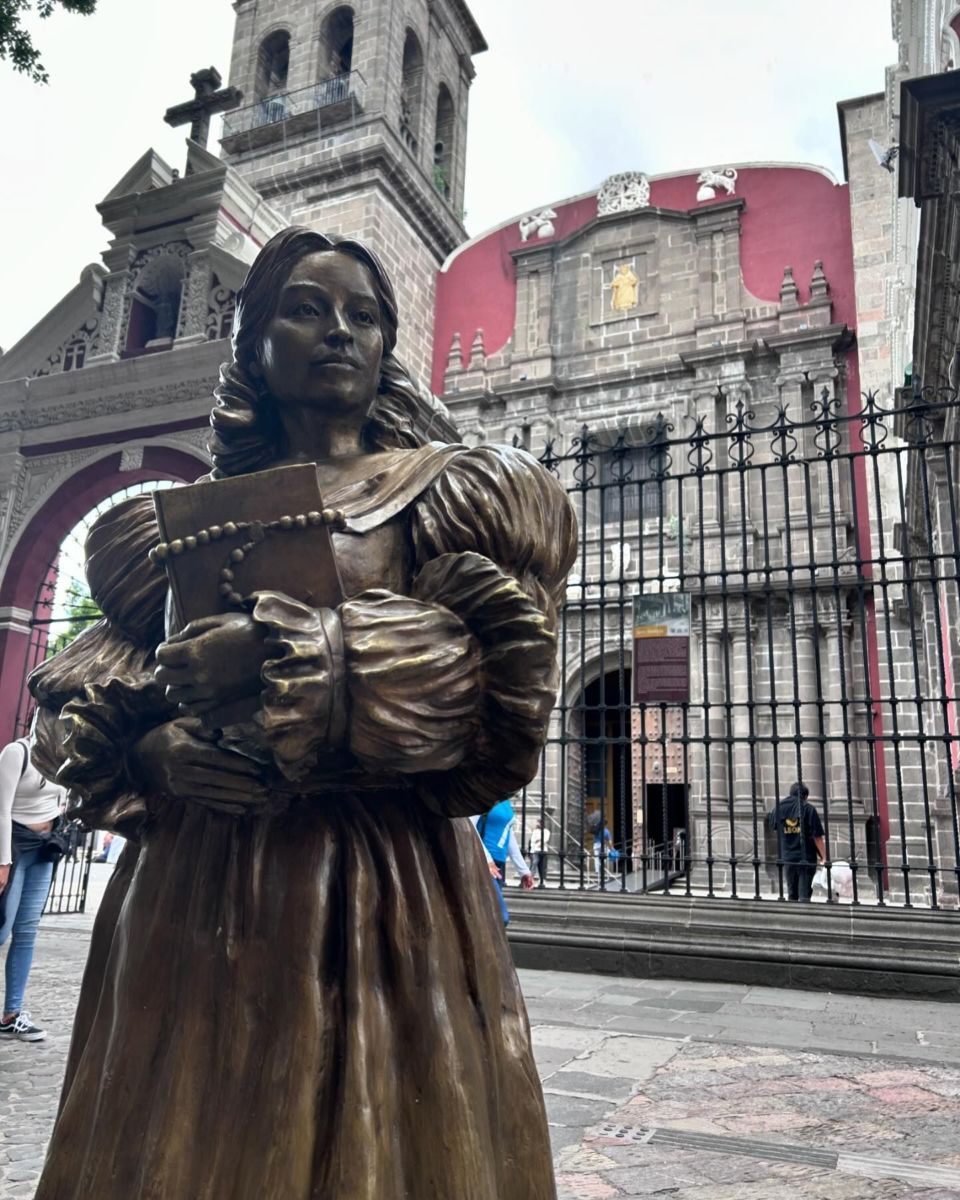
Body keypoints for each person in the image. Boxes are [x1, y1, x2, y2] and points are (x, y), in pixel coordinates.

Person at [28, 227, 576, 1200]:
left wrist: (304, 659)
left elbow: (496, 693)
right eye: (306, 308)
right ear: (252, 342)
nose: (340, 332)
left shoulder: (451, 497)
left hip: (378, 888)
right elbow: (84, 699)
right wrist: (153, 754)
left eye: (364, 316)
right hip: (188, 892)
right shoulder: (163, 532)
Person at [0, 734, 66, 1043]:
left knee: (27, 931)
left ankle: (12, 1014)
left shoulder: (64, 754)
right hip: (13, 847)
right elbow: (0, 809)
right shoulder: (17, 753)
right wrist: (2, 862)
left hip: (43, 849)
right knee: (2, 930)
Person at [471, 798, 534, 924]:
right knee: (501, 918)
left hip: (498, 866)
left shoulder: (505, 800)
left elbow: (508, 834)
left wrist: (523, 871)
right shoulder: (483, 795)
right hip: (481, 862)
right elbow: (469, 828)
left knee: (490, 918)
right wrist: (487, 860)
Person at [767, 781, 826, 902]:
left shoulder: (779, 808)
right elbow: (817, 837)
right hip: (806, 858)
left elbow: (774, 828)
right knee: (804, 895)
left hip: (788, 857)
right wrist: (823, 857)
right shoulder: (808, 809)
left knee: (792, 894)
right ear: (805, 796)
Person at [528, 820, 551, 885]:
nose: (537, 825)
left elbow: (545, 839)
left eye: (538, 823)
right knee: (534, 863)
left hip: (543, 850)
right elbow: (532, 840)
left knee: (543, 865)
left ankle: (542, 879)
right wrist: (538, 841)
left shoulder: (546, 831)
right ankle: (531, 877)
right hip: (535, 850)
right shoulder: (535, 831)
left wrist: (538, 841)